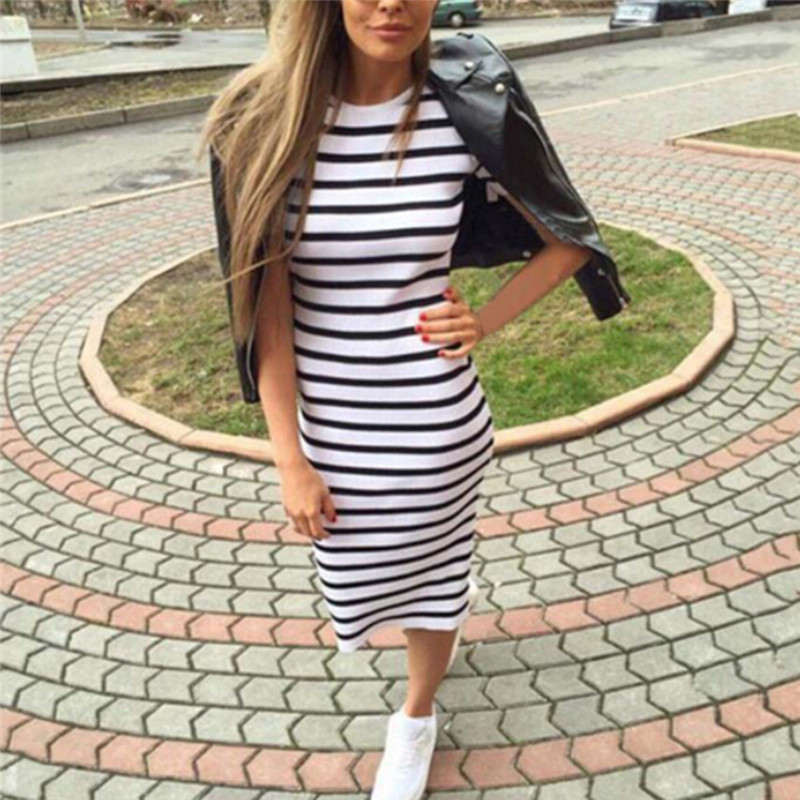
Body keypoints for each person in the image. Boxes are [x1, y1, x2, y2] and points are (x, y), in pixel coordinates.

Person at [199, 2, 596, 798]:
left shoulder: (465, 112)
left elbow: (570, 239)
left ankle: (415, 717)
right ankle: (437, 617)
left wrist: (483, 320)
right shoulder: (268, 124)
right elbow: (266, 313)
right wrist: (290, 460)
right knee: (361, 581)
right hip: (335, 427)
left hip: (438, 424)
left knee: (435, 582)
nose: (392, 4)